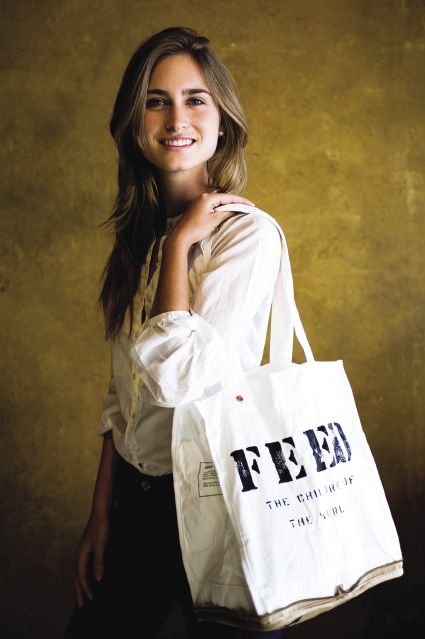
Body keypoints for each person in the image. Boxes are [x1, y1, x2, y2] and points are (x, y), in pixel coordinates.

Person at [65, 26, 283, 639]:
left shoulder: (246, 236)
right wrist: (100, 515)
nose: (175, 117)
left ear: (223, 122)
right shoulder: (139, 238)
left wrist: (187, 239)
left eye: (196, 99)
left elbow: (179, 380)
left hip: (216, 508)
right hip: (135, 507)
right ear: (135, 122)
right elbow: (124, 398)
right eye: (156, 100)